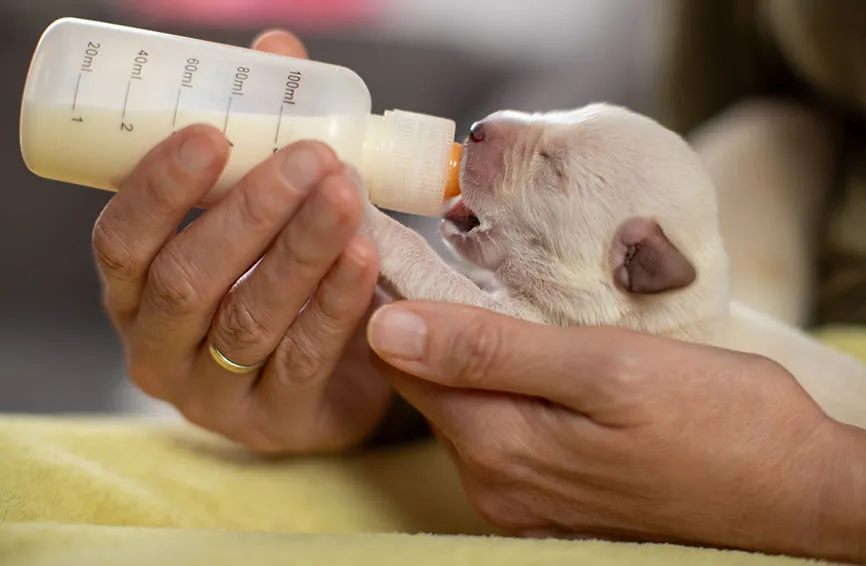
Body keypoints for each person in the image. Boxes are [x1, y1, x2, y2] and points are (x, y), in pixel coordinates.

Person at [89, 30, 866, 564]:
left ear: (633, 266)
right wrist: (376, 390)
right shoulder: (674, 216)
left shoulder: (617, 309)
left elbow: (450, 306)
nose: (494, 130)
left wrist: (819, 489)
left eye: (552, 167)